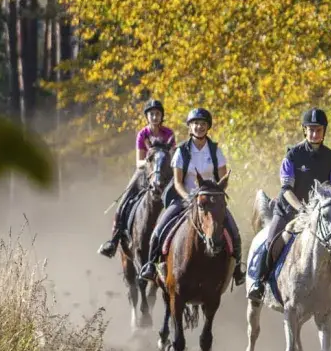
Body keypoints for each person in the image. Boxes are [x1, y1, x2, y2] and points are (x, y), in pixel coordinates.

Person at [247, 107, 331, 310]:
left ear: (324, 131)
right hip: (289, 210)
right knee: (271, 242)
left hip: (320, 215)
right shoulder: (292, 156)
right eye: (310, 129)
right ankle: (259, 283)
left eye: (318, 130)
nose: (314, 134)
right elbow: (286, 189)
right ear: (304, 130)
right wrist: (302, 209)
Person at [140, 107, 245, 285]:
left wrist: (216, 197)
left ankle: (237, 271)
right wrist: (189, 198)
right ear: (190, 127)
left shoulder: (215, 151)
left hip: (211, 202)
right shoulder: (181, 151)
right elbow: (178, 182)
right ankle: (150, 265)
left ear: (208, 127)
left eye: (203, 124)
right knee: (159, 230)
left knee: (234, 232)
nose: (199, 127)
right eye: (195, 123)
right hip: (185, 199)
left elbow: (221, 179)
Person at [98, 99, 176, 257]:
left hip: (165, 172)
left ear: (162, 116)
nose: (155, 117)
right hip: (144, 172)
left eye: (158, 114)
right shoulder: (143, 134)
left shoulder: (169, 134)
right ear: (147, 117)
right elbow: (139, 161)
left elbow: (173, 157)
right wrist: (150, 164)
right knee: (124, 200)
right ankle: (114, 240)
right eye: (152, 114)